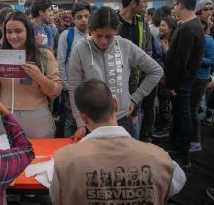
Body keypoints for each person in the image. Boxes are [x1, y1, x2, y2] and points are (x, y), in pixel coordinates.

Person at [50, 79, 186, 205]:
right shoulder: (160, 159)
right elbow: (179, 181)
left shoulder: (64, 162)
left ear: (83, 118)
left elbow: (56, 197)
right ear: (115, 104)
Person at [68, 6, 162, 140]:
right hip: (93, 120)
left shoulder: (125, 45)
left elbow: (156, 70)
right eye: (98, 35)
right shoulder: (80, 49)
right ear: (91, 30)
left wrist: (136, 98)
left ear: (116, 31)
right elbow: (74, 87)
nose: (103, 41)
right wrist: (80, 123)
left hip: (122, 118)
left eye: (109, 36)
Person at [0, 11, 62, 138]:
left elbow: (56, 90)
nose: (13, 36)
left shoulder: (43, 55)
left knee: (41, 156)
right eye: (9, 32)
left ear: (28, 31)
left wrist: (39, 77)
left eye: (18, 31)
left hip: (37, 118)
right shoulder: (0, 56)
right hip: (6, 116)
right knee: (10, 156)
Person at [164, 0, 205, 168]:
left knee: (184, 116)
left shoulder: (190, 27)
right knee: (181, 116)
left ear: (180, 4)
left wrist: (171, 84)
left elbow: (181, 61)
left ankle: (184, 155)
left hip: (182, 82)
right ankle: (179, 148)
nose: (174, 8)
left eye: (175, 5)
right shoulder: (188, 24)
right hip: (182, 81)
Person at [117, 0, 155, 142]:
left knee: (134, 136)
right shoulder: (112, 22)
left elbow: (147, 52)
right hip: (115, 89)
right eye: (145, 1)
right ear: (133, 3)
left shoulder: (143, 24)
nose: (147, 5)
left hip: (136, 89)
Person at [57, 2, 91, 137]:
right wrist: (66, 85)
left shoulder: (95, 34)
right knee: (71, 120)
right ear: (73, 18)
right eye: (79, 17)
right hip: (72, 87)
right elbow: (61, 61)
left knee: (90, 120)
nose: (84, 20)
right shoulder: (66, 35)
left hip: (90, 87)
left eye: (86, 16)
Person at [189, 16, 214, 152]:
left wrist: (196, 57)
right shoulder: (192, 39)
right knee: (187, 109)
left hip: (200, 79)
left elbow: (211, 60)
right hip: (188, 77)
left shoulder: (209, 40)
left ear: (204, 26)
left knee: (193, 110)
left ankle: (195, 141)